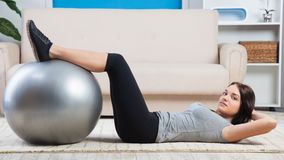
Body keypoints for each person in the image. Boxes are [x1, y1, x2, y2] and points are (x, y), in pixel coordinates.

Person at [26, 20, 277, 143]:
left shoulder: (228, 131)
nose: (225, 96)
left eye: (234, 97)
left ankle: (51, 50)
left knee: (116, 62)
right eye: (226, 91)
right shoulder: (217, 119)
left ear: (242, 109)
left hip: (145, 129)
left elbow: (271, 123)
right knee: (115, 65)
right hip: (144, 125)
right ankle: (53, 55)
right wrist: (239, 105)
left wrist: (249, 111)